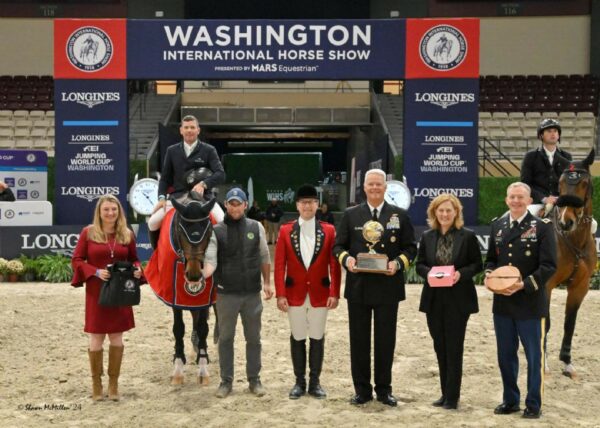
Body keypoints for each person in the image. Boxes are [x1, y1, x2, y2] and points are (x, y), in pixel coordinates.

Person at [333, 169, 417, 407]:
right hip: (358, 287)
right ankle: (361, 390)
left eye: (379, 184)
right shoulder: (351, 215)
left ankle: (383, 390)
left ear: (385, 187)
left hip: (387, 287)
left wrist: (397, 264)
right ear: (364, 187)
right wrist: (347, 261)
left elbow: (410, 248)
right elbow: (338, 247)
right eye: (370, 184)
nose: (374, 188)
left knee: (385, 341)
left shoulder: (399, 215)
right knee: (358, 341)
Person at [484, 182, 556, 419]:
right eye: (512, 197)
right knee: (505, 354)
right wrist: (489, 277)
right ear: (506, 200)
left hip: (530, 302)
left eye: (520, 197)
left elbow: (548, 266)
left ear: (528, 201)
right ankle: (510, 400)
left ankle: (534, 403)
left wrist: (523, 285)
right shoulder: (498, 225)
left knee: (534, 357)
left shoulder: (542, 227)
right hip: (503, 302)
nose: (516, 201)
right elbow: (491, 261)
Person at [71, 194, 143, 401]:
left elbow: (135, 260)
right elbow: (76, 259)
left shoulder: (127, 234)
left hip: (120, 292)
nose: (111, 213)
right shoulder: (88, 233)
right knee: (96, 338)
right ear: (99, 212)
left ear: (119, 211)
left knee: (117, 338)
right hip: (96, 292)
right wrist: (94, 272)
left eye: (114, 209)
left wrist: (138, 271)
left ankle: (113, 385)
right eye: (106, 210)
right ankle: (96, 385)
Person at [203, 188, 273, 398]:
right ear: (226, 205)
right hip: (226, 294)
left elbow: (264, 255)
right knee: (226, 339)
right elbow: (211, 260)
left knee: (254, 338)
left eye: (238, 203)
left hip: (252, 293)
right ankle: (226, 382)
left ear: (245, 205)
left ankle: (254, 380)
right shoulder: (216, 230)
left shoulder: (256, 226)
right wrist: (201, 275)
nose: (234, 207)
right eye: (231, 203)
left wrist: (268, 282)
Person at [274, 184, 341, 400]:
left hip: (321, 293)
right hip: (294, 292)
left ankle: (315, 382)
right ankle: (299, 382)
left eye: (311, 202)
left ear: (317, 205)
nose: (307, 206)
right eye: (303, 202)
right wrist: (280, 293)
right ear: (297, 205)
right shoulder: (285, 230)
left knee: (317, 336)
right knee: (298, 336)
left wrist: (335, 292)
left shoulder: (329, 230)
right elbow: (279, 265)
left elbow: (334, 264)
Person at [415, 194, 482, 410]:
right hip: (434, 299)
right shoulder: (427, 236)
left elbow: (476, 264)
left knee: (454, 348)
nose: (444, 214)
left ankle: (453, 397)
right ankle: (444, 393)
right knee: (439, 347)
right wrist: (430, 273)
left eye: (449, 211)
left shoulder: (468, 236)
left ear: (456, 213)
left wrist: (460, 274)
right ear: (434, 212)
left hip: (458, 299)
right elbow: (420, 265)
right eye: (440, 210)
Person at [148, 115, 226, 245]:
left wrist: (204, 184)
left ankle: (223, 257)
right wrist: (161, 197)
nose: (189, 130)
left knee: (222, 220)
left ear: (198, 130)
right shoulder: (171, 151)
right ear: (181, 130)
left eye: (192, 127)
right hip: (178, 198)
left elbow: (221, 174)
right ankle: (156, 255)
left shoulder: (209, 150)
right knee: (152, 222)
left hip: (204, 198)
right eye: (186, 127)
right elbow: (165, 179)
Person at [520, 118, 572, 215]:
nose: (553, 134)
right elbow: (525, 184)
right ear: (541, 135)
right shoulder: (530, 156)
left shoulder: (567, 156)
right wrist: (544, 199)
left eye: (555, 131)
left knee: (592, 224)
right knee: (527, 216)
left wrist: (560, 198)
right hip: (538, 203)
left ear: (559, 135)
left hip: (561, 202)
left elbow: (569, 182)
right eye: (549, 131)